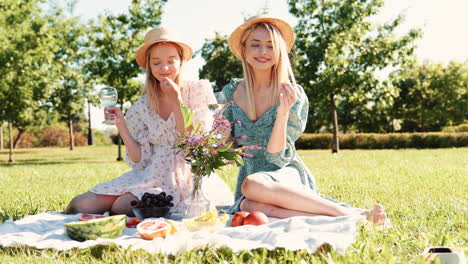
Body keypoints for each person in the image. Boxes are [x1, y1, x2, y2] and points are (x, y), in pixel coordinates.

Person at [219, 15, 386, 224]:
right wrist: (219, 136)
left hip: (284, 173)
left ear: (279, 51)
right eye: (256, 45)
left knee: (251, 186)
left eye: (270, 46)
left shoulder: (291, 93)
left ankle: (346, 213)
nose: (263, 51)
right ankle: (351, 217)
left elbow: (277, 158)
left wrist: (282, 114)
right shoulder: (232, 92)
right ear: (244, 50)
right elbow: (225, 153)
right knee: (248, 206)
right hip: (252, 182)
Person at [65, 27, 233, 216]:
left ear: (181, 61)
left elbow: (192, 146)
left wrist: (177, 102)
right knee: (80, 204)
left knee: (122, 206)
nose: (164, 68)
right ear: (149, 66)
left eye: (171, 61)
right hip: (152, 173)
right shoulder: (144, 104)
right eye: (156, 62)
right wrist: (121, 123)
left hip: (185, 172)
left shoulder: (196, 90)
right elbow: (140, 159)